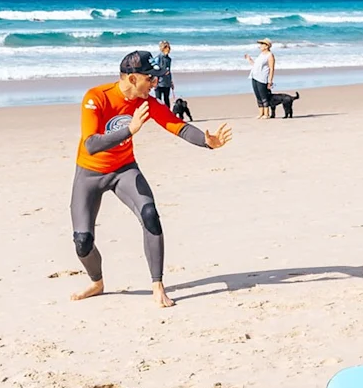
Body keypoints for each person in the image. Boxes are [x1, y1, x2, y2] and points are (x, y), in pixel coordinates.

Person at [71, 50, 233, 307]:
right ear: (133, 78)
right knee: (82, 241)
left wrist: (206, 141)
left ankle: (157, 286)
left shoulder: (146, 102)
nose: (155, 83)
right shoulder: (96, 97)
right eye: (151, 78)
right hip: (89, 174)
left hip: (124, 170)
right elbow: (91, 144)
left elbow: (176, 125)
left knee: (150, 215)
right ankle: (97, 282)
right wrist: (130, 129)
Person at [244, 39, 276, 119]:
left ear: (267, 46)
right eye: (260, 44)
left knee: (264, 96)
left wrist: (270, 81)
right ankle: (261, 113)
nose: (260, 46)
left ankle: (266, 114)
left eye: (262, 44)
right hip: (254, 76)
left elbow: (271, 69)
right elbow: (255, 65)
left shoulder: (270, 55)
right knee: (258, 96)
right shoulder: (261, 54)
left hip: (262, 78)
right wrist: (249, 59)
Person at [152, 41, 174, 107]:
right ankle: (159, 115)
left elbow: (169, 71)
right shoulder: (158, 58)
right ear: (162, 49)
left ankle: (167, 115)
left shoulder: (169, 59)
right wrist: (154, 80)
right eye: (166, 48)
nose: (168, 49)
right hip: (159, 82)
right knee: (158, 100)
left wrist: (171, 82)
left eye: (169, 48)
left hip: (167, 82)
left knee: (166, 99)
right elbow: (155, 69)